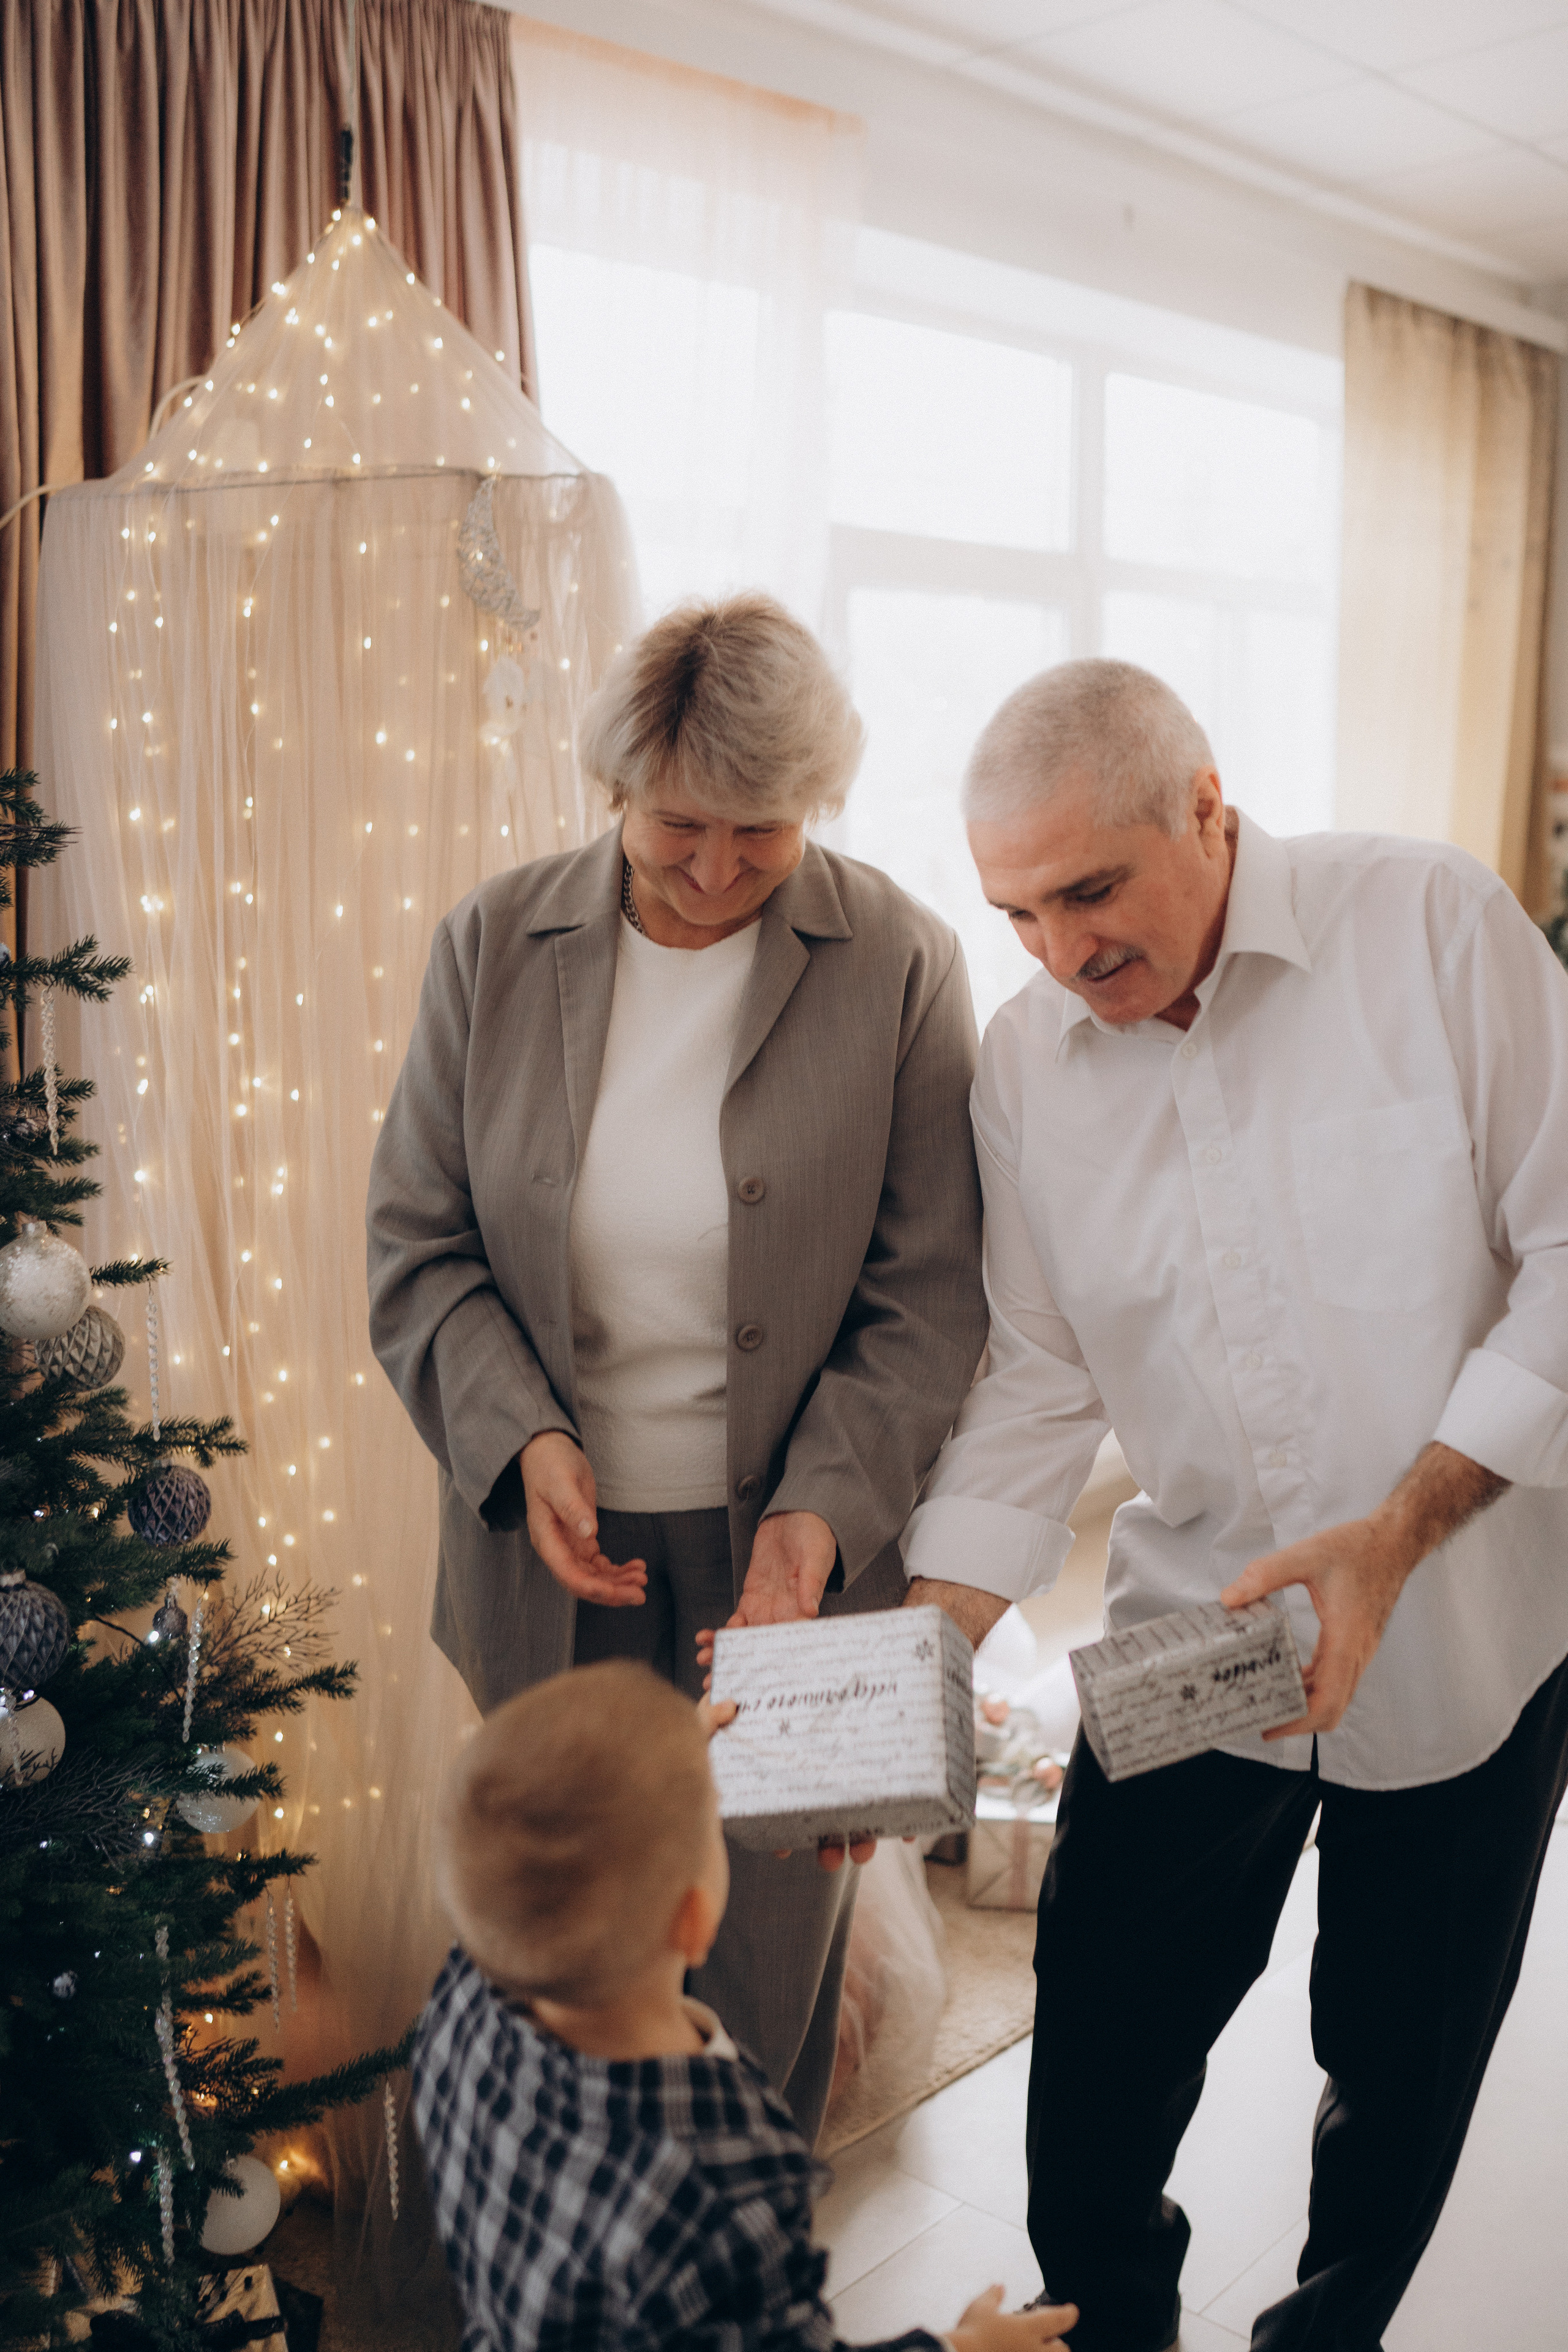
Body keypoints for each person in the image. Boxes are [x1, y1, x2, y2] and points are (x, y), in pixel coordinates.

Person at [900, 658, 1568, 2352]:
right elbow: (1042, 1377)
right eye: (1018, 913)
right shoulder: (1027, 1061)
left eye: (1092, 892)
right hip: (1196, 1631)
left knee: (1403, 2074)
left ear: (1208, 806)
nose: (1060, 955)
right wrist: (932, 1639)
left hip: (1468, 1632)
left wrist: (1395, 1534)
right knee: (1105, 2042)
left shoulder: (1430, 925)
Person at [368, 593, 986, 2146]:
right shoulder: (495, 943)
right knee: (559, 1947)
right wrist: (519, 1442)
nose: (715, 870)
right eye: (678, 828)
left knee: (761, 1963)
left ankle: (730, 2269)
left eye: (759, 832)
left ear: (816, 806)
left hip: (788, 1561)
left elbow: (923, 1294)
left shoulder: (898, 961)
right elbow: (416, 1243)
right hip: (544, 1559)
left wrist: (818, 1517)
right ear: (613, 792)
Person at [412, 1659, 1078, 2352]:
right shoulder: (721, 2168)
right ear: (695, 1919)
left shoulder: (462, 2005)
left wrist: (662, 1769)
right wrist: (962, 2348)